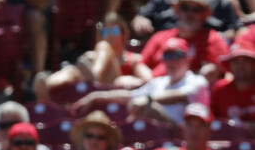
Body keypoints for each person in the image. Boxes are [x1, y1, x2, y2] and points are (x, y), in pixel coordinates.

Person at [72, 37, 210, 125]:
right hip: (156, 133)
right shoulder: (159, 82)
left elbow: (179, 95)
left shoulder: (197, 81)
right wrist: (97, 96)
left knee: (146, 108)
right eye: (167, 56)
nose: (171, 61)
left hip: (183, 134)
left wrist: (148, 100)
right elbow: (131, 95)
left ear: (187, 59)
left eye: (177, 55)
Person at [34, 14, 152, 102]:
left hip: (112, 91)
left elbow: (149, 81)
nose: (110, 35)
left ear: (125, 34)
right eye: (105, 32)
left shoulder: (133, 59)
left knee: (101, 48)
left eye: (115, 31)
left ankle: (94, 77)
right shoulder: (92, 57)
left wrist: (126, 80)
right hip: (92, 90)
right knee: (72, 69)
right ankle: (47, 86)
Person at [137, 0, 229, 82]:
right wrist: (151, 83)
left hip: (189, 92)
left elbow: (221, 70)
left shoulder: (213, 39)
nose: (190, 13)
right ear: (177, 11)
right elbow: (141, 64)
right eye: (185, 8)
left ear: (204, 15)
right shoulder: (159, 36)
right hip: (154, 88)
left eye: (196, 10)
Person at [211, 41, 255, 123]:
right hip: (228, 135)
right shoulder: (220, 89)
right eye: (235, 62)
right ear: (229, 65)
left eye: (245, 61)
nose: (240, 66)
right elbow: (214, 122)